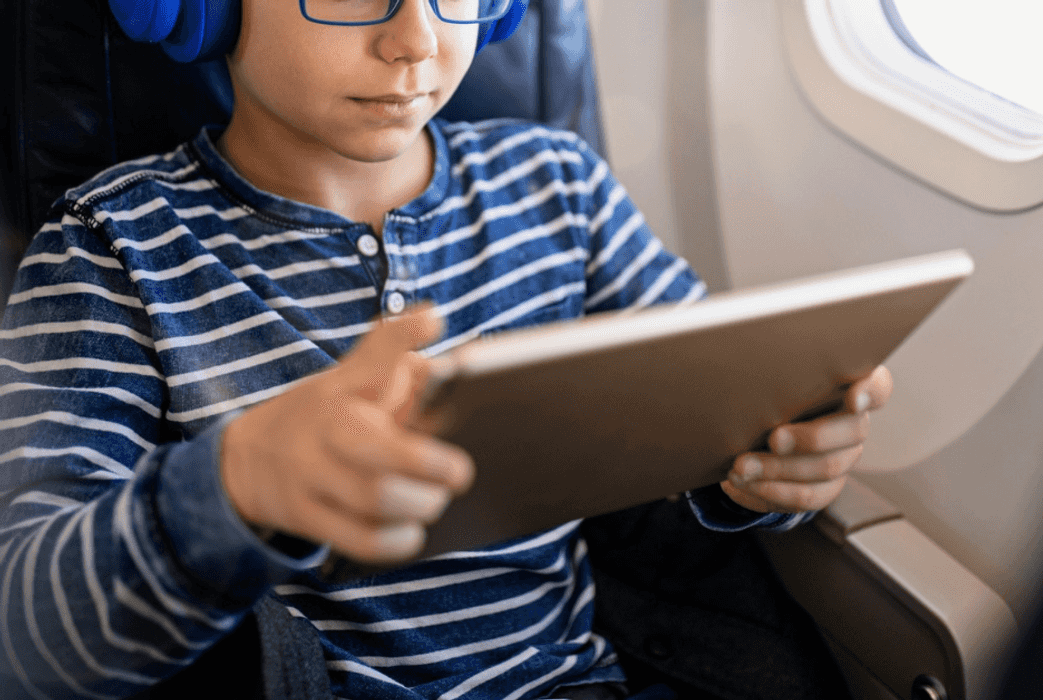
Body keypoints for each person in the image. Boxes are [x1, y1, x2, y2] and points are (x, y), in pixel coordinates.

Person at [0, 1, 893, 698]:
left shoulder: (560, 188)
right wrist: (233, 488)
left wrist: (771, 473)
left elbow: (717, 419)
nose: (415, 40)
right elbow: (29, 633)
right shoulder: (112, 248)